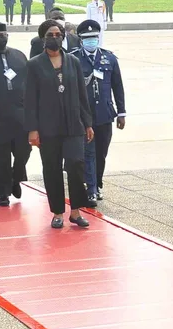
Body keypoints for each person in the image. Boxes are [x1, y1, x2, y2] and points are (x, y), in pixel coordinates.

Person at [25, 20, 92, 228]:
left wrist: (87, 123)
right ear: (43, 38)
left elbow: (82, 95)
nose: (54, 38)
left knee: (76, 164)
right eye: (50, 35)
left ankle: (76, 210)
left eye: (57, 34)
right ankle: (57, 212)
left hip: (73, 125)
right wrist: (33, 129)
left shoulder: (73, 61)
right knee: (52, 168)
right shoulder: (34, 64)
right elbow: (30, 99)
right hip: (48, 127)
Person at [71, 19, 125, 204]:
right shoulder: (74, 58)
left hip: (104, 113)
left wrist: (122, 112)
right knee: (89, 153)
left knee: (101, 152)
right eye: (87, 38)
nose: (91, 41)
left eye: (94, 37)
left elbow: (117, 86)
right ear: (80, 39)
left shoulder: (108, 58)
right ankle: (91, 189)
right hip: (84, 116)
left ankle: (98, 183)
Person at [0, 22, 31, 207]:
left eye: (2, 34)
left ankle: (15, 178)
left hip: (20, 116)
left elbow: (29, 84)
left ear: (7, 35)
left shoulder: (19, 56)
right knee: (0, 158)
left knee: (23, 152)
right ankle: (3, 193)